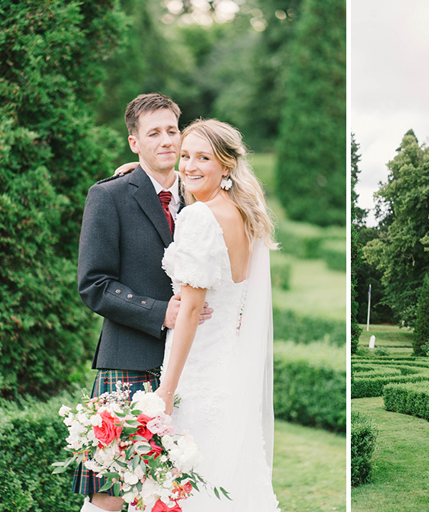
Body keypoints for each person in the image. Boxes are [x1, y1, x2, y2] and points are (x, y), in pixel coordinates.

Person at [74, 93, 212, 512]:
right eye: (153, 133)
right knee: (110, 494)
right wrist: (160, 312)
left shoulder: (201, 194)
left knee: (171, 495)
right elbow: (94, 284)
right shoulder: (110, 195)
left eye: (173, 130)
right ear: (134, 142)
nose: (166, 141)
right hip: (128, 359)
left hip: (194, 364)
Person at [148, 118, 280, 511]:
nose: (188, 166)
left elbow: (190, 311)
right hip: (230, 369)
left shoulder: (200, 217)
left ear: (225, 165)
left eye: (202, 157)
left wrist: (165, 393)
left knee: (192, 489)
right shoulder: (241, 214)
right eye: (185, 155)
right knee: (229, 483)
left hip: (197, 370)